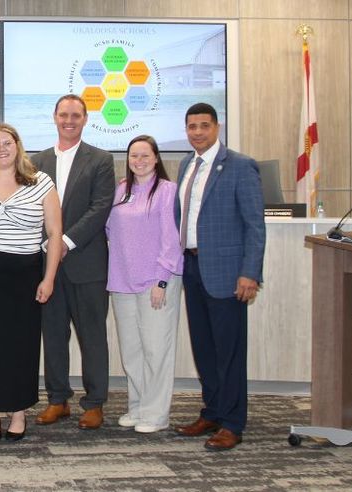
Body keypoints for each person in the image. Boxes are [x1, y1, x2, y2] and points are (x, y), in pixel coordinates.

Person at [0, 123, 62, 442]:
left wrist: (49, 278)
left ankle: (18, 412)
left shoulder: (41, 183)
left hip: (25, 273)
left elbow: (55, 234)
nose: (1, 149)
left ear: (17, 145)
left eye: (7, 143)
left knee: (23, 345)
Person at [174, 103, 265, 451]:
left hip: (227, 273)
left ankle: (232, 422)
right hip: (193, 268)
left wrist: (250, 273)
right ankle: (211, 411)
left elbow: (255, 226)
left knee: (229, 351)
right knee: (204, 348)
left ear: (217, 127)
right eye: (191, 126)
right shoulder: (186, 164)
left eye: (204, 126)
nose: (197, 132)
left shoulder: (240, 166)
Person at [30, 94, 116, 430]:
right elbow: (31, 209)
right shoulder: (36, 161)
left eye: (76, 115)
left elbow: (100, 208)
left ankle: (94, 403)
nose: (69, 120)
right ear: (54, 117)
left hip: (87, 263)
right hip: (47, 267)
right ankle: (58, 400)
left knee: (92, 335)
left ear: (85, 119)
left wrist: (63, 241)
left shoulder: (101, 159)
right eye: (64, 114)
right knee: (52, 335)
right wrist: (46, 245)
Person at [106, 135, 183, 434]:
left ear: (156, 158)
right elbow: (110, 228)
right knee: (132, 350)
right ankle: (137, 406)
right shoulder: (121, 190)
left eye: (144, 156)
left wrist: (162, 279)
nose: (138, 161)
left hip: (156, 281)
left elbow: (171, 238)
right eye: (133, 156)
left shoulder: (167, 191)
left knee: (156, 349)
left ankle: (156, 413)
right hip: (122, 280)